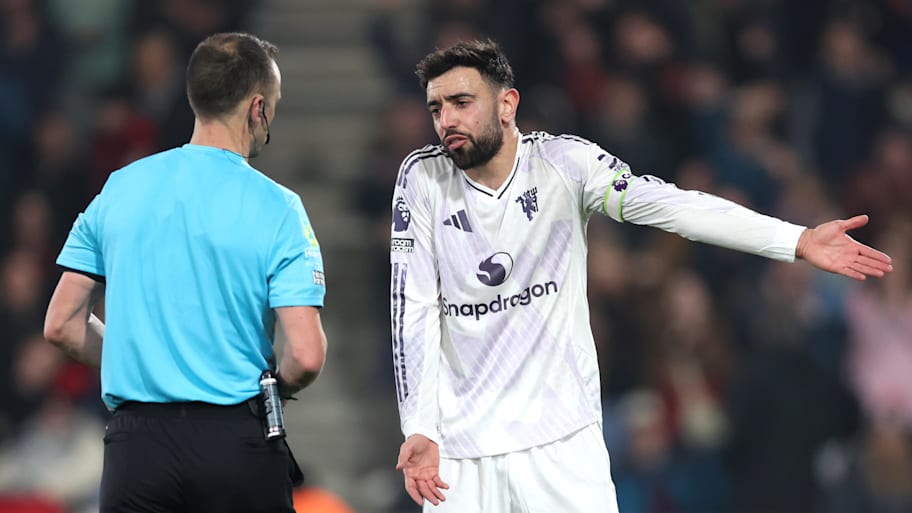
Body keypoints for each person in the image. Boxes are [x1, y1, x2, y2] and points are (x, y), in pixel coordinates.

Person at [388, 39, 893, 512]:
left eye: (461, 102)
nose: (446, 120)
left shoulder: (565, 164)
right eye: (436, 108)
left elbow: (673, 207)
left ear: (507, 104)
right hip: (463, 453)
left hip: (563, 443)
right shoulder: (422, 178)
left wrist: (795, 240)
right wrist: (420, 426)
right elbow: (412, 309)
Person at [43, 32, 328, 513]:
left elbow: (62, 325)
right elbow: (305, 355)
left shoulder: (120, 188)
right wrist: (271, 389)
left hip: (137, 452)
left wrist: (145, 363)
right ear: (258, 108)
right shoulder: (279, 208)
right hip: (236, 442)